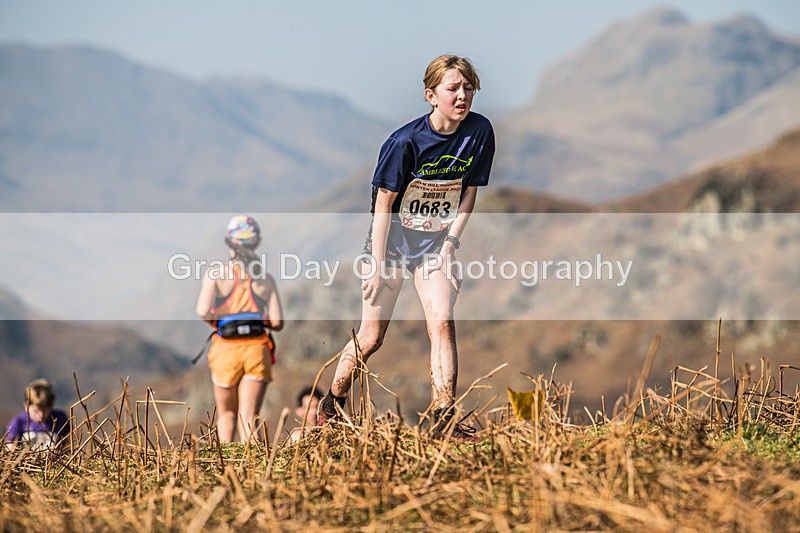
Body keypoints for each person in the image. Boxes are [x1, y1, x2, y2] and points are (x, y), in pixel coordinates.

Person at [317, 55, 495, 441]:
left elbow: (469, 194)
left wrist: (449, 245)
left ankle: (443, 420)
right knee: (371, 338)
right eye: (453, 89)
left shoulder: (480, 131)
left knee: (443, 324)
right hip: (392, 244)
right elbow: (383, 205)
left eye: (469, 89)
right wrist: (378, 264)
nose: (462, 96)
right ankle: (330, 407)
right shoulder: (404, 142)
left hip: (435, 246)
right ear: (431, 96)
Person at [195, 215, 283, 443]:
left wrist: (222, 318)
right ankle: (255, 470)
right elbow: (277, 322)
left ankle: (224, 469)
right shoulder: (266, 280)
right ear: (256, 242)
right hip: (257, 350)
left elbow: (203, 311)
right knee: (249, 418)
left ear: (228, 242)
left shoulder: (216, 275)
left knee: (226, 416)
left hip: (225, 350)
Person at [4, 379, 69, 451]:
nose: (41, 415)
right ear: (26, 406)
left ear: (51, 406)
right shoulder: (19, 422)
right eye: (36, 411)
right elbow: (9, 445)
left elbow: (66, 444)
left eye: (45, 410)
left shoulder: (60, 419)